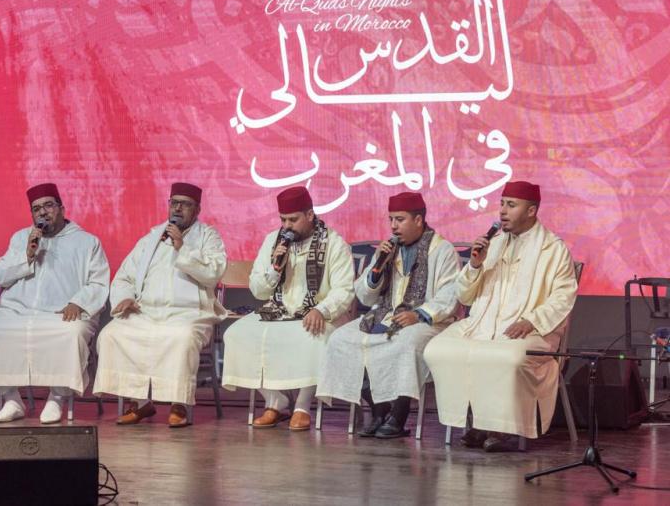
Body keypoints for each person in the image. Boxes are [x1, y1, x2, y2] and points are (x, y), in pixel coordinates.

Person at [424, 181, 578, 452]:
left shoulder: (553, 249)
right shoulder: (493, 244)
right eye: (502, 204)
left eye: (511, 205)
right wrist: (475, 265)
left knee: (508, 356)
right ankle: (477, 420)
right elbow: (465, 297)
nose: (503, 211)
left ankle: (501, 427)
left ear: (531, 211)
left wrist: (532, 320)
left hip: (534, 330)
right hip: (483, 324)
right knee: (437, 349)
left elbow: (563, 296)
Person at [316, 192, 460, 438]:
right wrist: (377, 269)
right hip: (386, 315)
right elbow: (365, 296)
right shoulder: (388, 249)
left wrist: (418, 315)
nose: (393, 226)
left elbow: (450, 295)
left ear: (418, 220)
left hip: (429, 321)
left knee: (406, 344)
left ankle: (399, 416)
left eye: (400, 219)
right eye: (391, 219)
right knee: (340, 339)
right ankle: (379, 409)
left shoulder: (442, 250)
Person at [221, 186, 355, 431]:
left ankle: (303, 406)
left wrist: (322, 310)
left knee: (314, 337)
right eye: (283, 220)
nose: (287, 226)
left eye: (293, 220)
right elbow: (258, 290)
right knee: (236, 335)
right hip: (278, 311)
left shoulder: (334, 244)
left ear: (310, 215)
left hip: (319, 313)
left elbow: (344, 290)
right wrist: (275, 269)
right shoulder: (273, 241)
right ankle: (275, 400)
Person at [93, 182, 227, 427]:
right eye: (174, 203)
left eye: (185, 204)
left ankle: (179, 403)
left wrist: (182, 248)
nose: (178, 208)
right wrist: (125, 297)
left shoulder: (208, 236)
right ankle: (140, 402)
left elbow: (214, 273)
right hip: (146, 311)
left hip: (189, 313)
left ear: (197, 209)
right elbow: (124, 277)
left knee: (182, 338)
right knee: (111, 334)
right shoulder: (152, 238)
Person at [0, 183, 110, 424]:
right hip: (19, 309)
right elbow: (3, 275)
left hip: (62, 312)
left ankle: (56, 398)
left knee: (71, 333)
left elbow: (98, 282)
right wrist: (27, 254)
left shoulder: (86, 241)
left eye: (48, 206)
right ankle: (12, 400)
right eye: (36, 209)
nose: (43, 212)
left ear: (62, 208)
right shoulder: (21, 238)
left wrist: (78, 302)